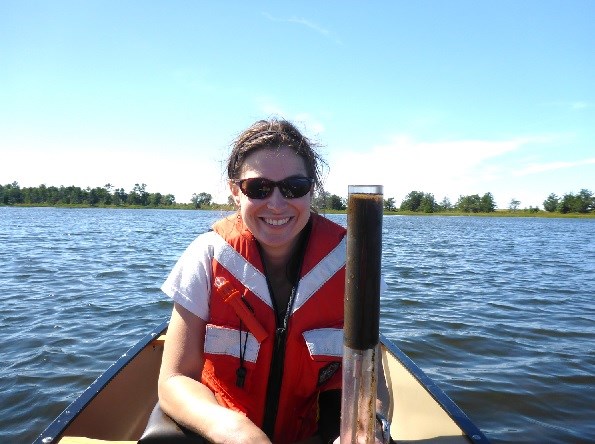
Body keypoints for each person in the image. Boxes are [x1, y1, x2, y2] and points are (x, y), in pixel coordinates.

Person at [157, 119, 390, 444]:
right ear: (235, 191)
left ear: (312, 189)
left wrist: (369, 428)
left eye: (294, 187)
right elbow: (175, 378)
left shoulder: (353, 264)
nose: (277, 204)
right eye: (259, 188)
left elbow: (372, 379)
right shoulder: (206, 256)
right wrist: (233, 431)